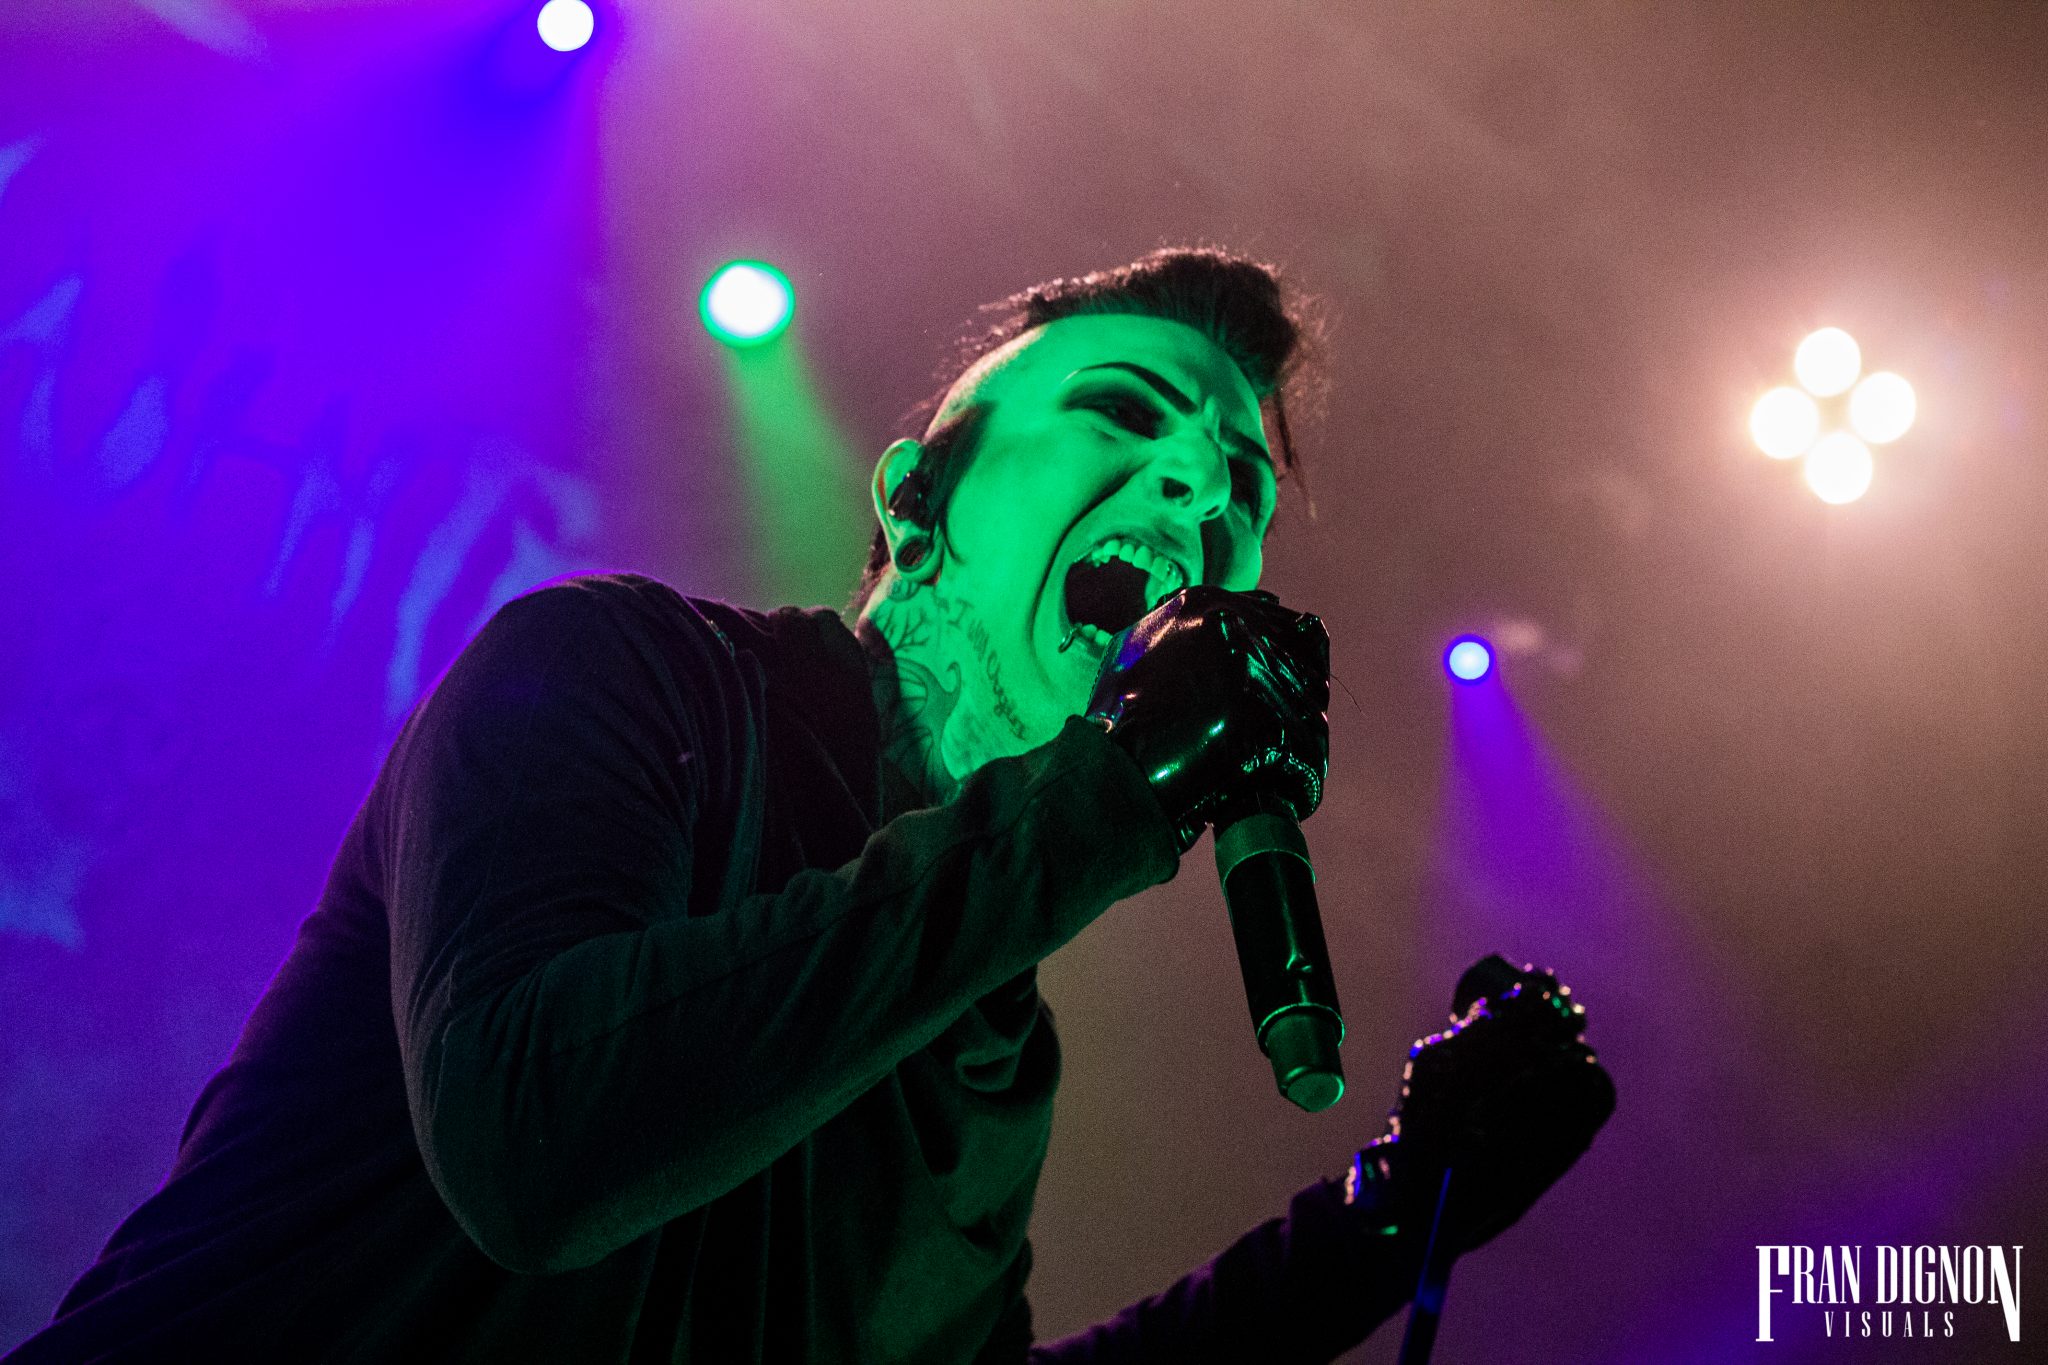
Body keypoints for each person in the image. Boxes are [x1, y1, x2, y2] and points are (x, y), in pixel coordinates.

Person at [5, 248, 1613, 1364]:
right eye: (1126, 415)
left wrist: (1384, 1215)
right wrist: (1104, 800)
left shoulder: (990, 1046)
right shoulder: (619, 677)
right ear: (916, 501)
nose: (1200, 490)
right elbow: (536, 1145)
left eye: (1240, 488)